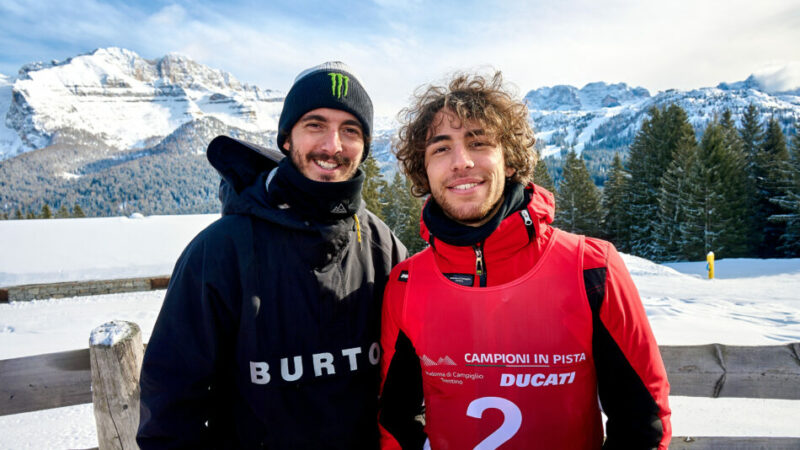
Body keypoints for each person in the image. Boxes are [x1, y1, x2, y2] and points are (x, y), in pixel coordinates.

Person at [378, 72, 671, 449]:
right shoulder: (406, 283)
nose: (461, 161)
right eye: (440, 149)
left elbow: (641, 420)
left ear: (510, 161)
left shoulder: (591, 268)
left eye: (478, 142)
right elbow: (394, 418)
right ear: (425, 170)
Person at [138, 61, 407, 449]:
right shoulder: (220, 251)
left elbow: (412, 381)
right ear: (286, 139)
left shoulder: (381, 245)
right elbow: (171, 403)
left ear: (364, 147)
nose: (333, 145)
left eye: (350, 130)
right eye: (315, 125)